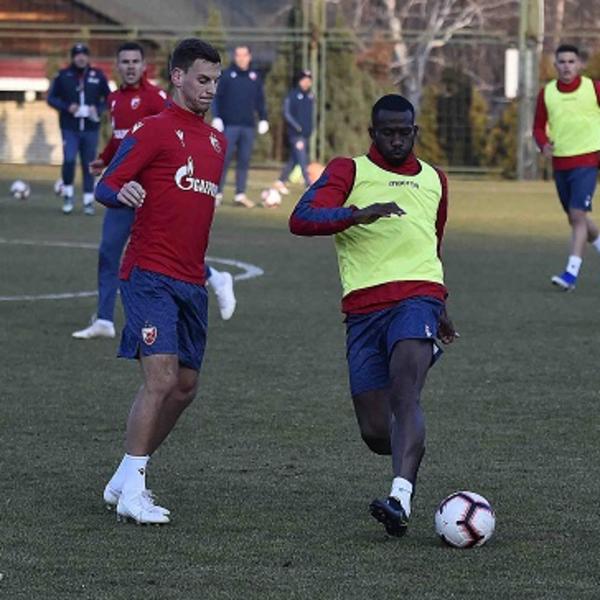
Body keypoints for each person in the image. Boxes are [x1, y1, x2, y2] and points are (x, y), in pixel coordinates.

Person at [289, 94, 458, 537]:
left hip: (417, 298)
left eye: (405, 132)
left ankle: (400, 498)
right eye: (388, 133)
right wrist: (356, 214)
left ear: (415, 131)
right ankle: (408, 447)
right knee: (377, 431)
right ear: (372, 133)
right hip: (364, 310)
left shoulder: (435, 179)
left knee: (405, 394)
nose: (397, 140)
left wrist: (441, 304)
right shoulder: (349, 171)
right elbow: (301, 218)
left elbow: (432, 243)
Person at [94, 38, 226, 524]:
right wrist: (121, 190)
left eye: (215, 81)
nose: (210, 89)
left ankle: (123, 477)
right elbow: (106, 183)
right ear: (177, 76)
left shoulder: (216, 143)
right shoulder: (153, 129)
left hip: (191, 280)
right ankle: (134, 492)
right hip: (149, 273)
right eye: (202, 79)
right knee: (162, 378)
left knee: (185, 387)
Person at [72, 42, 235, 340]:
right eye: (125, 61)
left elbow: (176, 133)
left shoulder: (156, 98)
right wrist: (106, 160)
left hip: (155, 192)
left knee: (168, 248)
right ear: (117, 66)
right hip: (125, 187)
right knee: (109, 251)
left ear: (144, 66)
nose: (130, 67)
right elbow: (121, 140)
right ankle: (105, 319)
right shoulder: (114, 99)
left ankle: (213, 276)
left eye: (135, 61)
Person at [533, 44, 600, 291]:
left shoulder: (593, 88)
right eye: (562, 62)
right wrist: (543, 144)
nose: (567, 66)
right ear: (555, 65)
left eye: (571, 62)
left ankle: (571, 274)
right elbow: (538, 126)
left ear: (580, 64)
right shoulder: (547, 93)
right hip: (561, 163)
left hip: (588, 160)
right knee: (576, 217)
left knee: (577, 215)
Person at [47, 43, 111, 215]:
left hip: (91, 128)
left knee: (89, 163)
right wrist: (67, 107)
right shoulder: (63, 75)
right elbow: (51, 98)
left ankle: (88, 201)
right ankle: (68, 195)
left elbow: (109, 98)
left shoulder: (97, 75)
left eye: (84, 55)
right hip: (69, 127)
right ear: (73, 57)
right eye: (77, 55)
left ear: (88, 57)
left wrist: (97, 109)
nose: (81, 58)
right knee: (69, 160)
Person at [211, 45, 269, 208]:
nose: (241, 58)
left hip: (248, 127)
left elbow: (260, 100)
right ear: (234, 57)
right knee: (224, 160)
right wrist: (217, 117)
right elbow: (216, 98)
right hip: (229, 126)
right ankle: (217, 194)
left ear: (249, 57)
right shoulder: (227, 75)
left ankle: (240, 194)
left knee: (244, 161)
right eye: (238, 55)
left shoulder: (255, 77)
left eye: (244, 55)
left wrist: (263, 118)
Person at [273, 70, 315, 195]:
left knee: (294, 160)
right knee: (302, 159)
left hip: (306, 134)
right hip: (296, 135)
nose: (306, 83)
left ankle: (280, 181)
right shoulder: (292, 95)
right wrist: (297, 127)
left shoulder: (311, 96)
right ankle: (309, 184)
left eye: (309, 80)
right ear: (299, 81)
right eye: (304, 80)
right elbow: (287, 113)